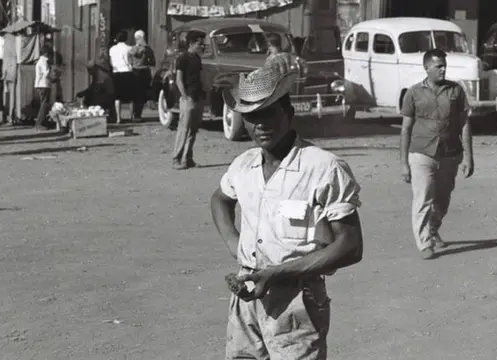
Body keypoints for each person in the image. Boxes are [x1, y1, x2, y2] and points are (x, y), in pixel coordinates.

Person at [211, 55, 364, 360]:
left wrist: (278, 273)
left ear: (289, 112)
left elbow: (351, 246)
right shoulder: (244, 165)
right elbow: (220, 199)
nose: (261, 124)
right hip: (246, 299)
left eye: (269, 113)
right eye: (252, 116)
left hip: (297, 300)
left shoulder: (323, 168)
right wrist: (234, 243)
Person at [400, 49, 474, 260]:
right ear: (426, 68)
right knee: (423, 197)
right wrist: (404, 163)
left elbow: (465, 124)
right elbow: (405, 129)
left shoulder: (456, 91)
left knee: (442, 200)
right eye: (438, 66)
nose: (443, 69)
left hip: (450, 153)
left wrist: (469, 156)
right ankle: (424, 243)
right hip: (422, 153)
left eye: (444, 65)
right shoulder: (413, 93)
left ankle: (432, 229)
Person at [171, 31, 205, 170]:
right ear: (191, 43)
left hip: (198, 96)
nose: (202, 45)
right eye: (199, 42)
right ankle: (176, 158)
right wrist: (185, 97)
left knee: (193, 130)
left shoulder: (197, 58)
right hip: (188, 98)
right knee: (184, 129)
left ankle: (188, 158)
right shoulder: (182, 58)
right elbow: (179, 79)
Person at [128, 29, 155, 122]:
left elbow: (129, 61)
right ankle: (138, 115)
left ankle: (132, 115)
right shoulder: (148, 49)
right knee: (141, 95)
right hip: (144, 71)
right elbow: (153, 62)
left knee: (133, 94)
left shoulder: (131, 49)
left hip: (134, 71)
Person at [109, 30, 133, 124]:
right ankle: (131, 116)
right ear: (126, 38)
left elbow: (111, 63)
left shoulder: (112, 49)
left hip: (116, 73)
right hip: (127, 72)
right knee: (131, 96)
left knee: (117, 97)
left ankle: (119, 118)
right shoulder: (129, 48)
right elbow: (131, 61)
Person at [34, 46, 51, 130]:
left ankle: (42, 122)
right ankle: (39, 123)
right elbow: (46, 73)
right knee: (44, 104)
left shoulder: (39, 61)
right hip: (44, 84)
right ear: (46, 53)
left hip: (40, 84)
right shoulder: (44, 61)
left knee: (43, 104)